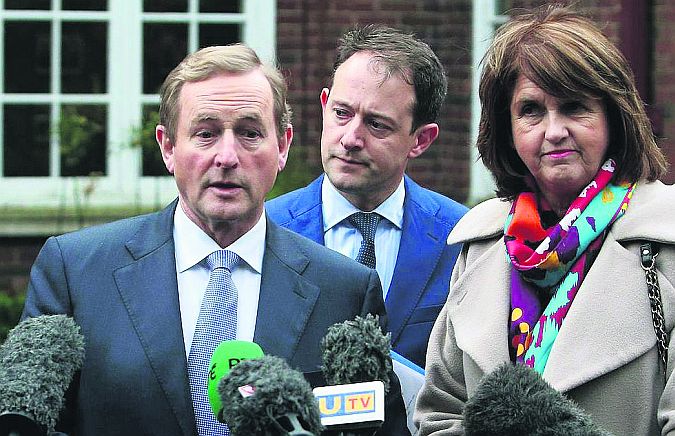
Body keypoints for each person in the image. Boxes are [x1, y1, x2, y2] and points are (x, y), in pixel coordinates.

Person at [21, 44, 408, 435]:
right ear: (168, 147)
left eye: (249, 133)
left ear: (283, 146)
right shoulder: (77, 272)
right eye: (205, 134)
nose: (227, 156)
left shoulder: (344, 290)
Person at [415, 5, 675, 436]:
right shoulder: (482, 247)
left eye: (575, 107)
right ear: (508, 128)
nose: (553, 131)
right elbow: (438, 415)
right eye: (532, 110)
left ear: (613, 117)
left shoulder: (664, 243)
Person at [266, 25, 468, 369]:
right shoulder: (267, 229)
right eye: (342, 113)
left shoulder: (461, 239)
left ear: (420, 140)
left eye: (376, 124)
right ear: (324, 104)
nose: (350, 138)